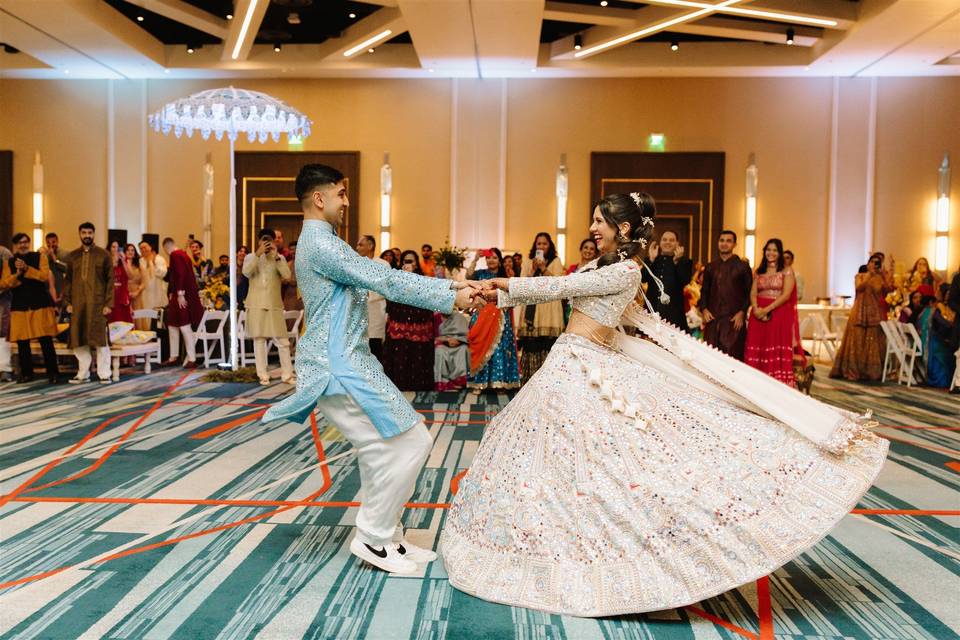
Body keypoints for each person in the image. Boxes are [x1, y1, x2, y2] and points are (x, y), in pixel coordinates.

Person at [439, 192, 888, 617]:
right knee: (554, 457)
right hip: (571, 362)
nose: (592, 227)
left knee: (608, 460)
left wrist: (500, 285)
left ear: (624, 227)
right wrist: (495, 291)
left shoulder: (627, 271)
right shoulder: (603, 264)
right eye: (594, 219)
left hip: (585, 365)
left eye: (600, 220)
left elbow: (549, 290)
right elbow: (562, 284)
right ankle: (544, 541)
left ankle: (635, 554)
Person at [263, 164, 483, 575]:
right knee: (411, 441)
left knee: (382, 446)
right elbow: (384, 279)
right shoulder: (321, 245)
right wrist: (452, 294)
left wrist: (452, 290)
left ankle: (385, 537)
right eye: (342, 193)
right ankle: (373, 536)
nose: (347, 201)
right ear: (320, 198)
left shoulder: (325, 242)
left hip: (346, 362)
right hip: (338, 366)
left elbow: (379, 277)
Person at [744, 238, 803, 387]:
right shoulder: (759, 271)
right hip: (757, 314)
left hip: (778, 312)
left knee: (773, 343)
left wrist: (766, 309)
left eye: (775, 250)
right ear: (764, 251)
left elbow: (786, 295)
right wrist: (756, 308)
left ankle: (776, 383)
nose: (771, 253)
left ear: (780, 253)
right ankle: (754, 382)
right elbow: (753, 293)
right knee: (758, 344)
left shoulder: (787, 271)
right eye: (768, 250)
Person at [1, 234, 59, 384]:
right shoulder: (10, 262)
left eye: (26, 242)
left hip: (40, 303)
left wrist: (27, 269)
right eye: (20, 243)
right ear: (15, 245)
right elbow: (5, 283)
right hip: (20, 305)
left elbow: (44, 276)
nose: (23, 245)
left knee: (45, 339)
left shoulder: (39, 257)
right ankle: (27, 374)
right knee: (22, 342)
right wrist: (18, 274)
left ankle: (53, 373)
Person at [243, 228, 295, 386]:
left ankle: (287, 375)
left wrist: (277, 257)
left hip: (274, 304)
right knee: (259, 340)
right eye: (263, 240)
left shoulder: (279, 258)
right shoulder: (251, 257)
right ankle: (262, 375)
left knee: (282, 340)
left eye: (270, 241)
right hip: (256, 303)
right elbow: (246, 272)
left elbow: (287, 276)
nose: (266, 243)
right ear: (259, 241)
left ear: (275, 242)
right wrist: (258, 254)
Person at [63, 223, 113, 384]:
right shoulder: (73, 256)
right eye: (84, 232)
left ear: (94, 234)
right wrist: (67, 302)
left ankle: (104, 374)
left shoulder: (103, 255)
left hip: (97, 303)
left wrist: (108, 303)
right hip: (78, 304)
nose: (87, 235)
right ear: (79, 234)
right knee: (78, 339)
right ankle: (83, 373)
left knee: (100, 340)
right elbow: (68, 281)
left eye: (90, 233)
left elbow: (110, 281)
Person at [466, 248, 521, 391]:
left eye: (495, 258)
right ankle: (479, 383)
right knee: (480, 345)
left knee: (500, 346)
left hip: (501, 315)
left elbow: (513, 292)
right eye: (489, 257)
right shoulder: (480, 274)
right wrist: (475, 259)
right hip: (482, 314)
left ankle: (500, 382)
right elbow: (468, 275)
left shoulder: (504, 275)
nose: (491, 260)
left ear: (500, 261)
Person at [382, 251, 437, 391]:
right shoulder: (395, 279)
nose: (409, 264)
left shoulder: (424, 280)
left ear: (416, 263)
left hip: (419, 325)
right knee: (399, 354)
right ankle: (398, 385)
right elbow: (390, 301)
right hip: (399, 323)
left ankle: (419, 386)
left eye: (412, 261)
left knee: (417, 355)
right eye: (406, 261)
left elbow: (429, 302)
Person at [830, 253, 889, 381]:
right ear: (868, 264)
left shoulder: (879, 278)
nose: (874, 264)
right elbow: (859, 287)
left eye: (877, 262)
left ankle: (870, 372)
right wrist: (870, 274)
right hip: (859, 311)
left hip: (873, 312)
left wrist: (886, 272)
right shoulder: (860, 276)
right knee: (856, 340)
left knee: (872, 341)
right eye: (872, 262)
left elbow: (888, 289)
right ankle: (853, 370)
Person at [516, 232, 565, 383]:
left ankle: (548, 383)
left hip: (550, 310)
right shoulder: (527, 261)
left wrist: (543, 268)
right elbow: (521, 285)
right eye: (539, 244)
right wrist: (532, 269)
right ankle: (529, 382)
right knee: (531, 346)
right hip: (532, 309)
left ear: (549, 245)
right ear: (535, 245)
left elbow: (559, 285)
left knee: (548, 346)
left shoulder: (556, 261)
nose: (542, 246)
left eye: (545, 243)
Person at [699, 230, 753, 360]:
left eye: (728, 241)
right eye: (722, 240)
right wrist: (704, 309)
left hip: (734, 320)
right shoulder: (710, 267)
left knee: (733, 357)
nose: (724, 244)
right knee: (710, 357)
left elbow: (750, 293)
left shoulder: (743, 267)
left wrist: (742, 312)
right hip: (712, 319)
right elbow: (704, 291)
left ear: (734, 244)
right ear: (718, 243)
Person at [162, 237, 204, 367]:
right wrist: (172, 292)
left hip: (181, 295)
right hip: (179, 294)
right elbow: (174, 276)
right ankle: (173, 356)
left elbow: (180, 274)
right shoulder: (184, 255)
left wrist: (180, 293)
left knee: (184, 325)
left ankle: (191, 358)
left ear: (166, 248)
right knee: (172, 324)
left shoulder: (175, 255)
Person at [647, 230, 692, 331]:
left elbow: (685, 280)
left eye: (672, 240)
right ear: (660, 242)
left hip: (674, 315)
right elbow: (643, 279)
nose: (667, 242)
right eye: (664, 239)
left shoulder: (684, 262)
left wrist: (677, 262)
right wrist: (651, 260)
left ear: (677, 243)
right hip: (652, 312)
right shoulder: (653, 259)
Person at [917, 285, 956, 388]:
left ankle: (932, 380)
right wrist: (953, 323)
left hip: (924, 343)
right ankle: (942, 381)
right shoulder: (934, 312)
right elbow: (944, 324)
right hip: (933, 342)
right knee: (947, 353)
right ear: (931, 303)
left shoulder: (921, 314)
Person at [357, 235, 388, 360]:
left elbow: (385, 287)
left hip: (375, 308)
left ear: (370, 246)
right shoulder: (356, 263)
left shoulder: (382, 264)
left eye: (361, 244)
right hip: (358, 308)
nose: (357, 247)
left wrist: (369, 294)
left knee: (374, 343)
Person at [135, 239, 168, 331]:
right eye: (141, 248)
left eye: (145, 247)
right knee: (145, 314)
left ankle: (157, 335)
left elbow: (163, 273)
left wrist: (152, 262)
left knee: (157, 315)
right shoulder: (140, 260)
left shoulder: (159, 259)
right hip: (144, 293)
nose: (143, 250)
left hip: (157, 293)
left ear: (150, 247)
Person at [107, 241, 134, 324]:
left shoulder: (125, 260)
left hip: (122, 295)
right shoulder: (106, 260)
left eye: (117, 247)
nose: (115, 249)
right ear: (109, 248)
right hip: (110, 295)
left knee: (124, 322)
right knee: (111, 321)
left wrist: (123, 260)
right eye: (113, 247)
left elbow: (131, 276)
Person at [45, 232, 69, 307]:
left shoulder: (65, 254)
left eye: (53, 242)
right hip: (48, 290)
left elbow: (68, 269)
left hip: (62, 288)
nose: (51, 245)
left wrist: (55, 259)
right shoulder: (45, 255)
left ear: (57, 241)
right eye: (48, 242)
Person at [0, 244, 13, 382]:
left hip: (2, 298)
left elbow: (9, 279)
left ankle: (4, 368)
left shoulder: (4, 253)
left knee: (2, 333)